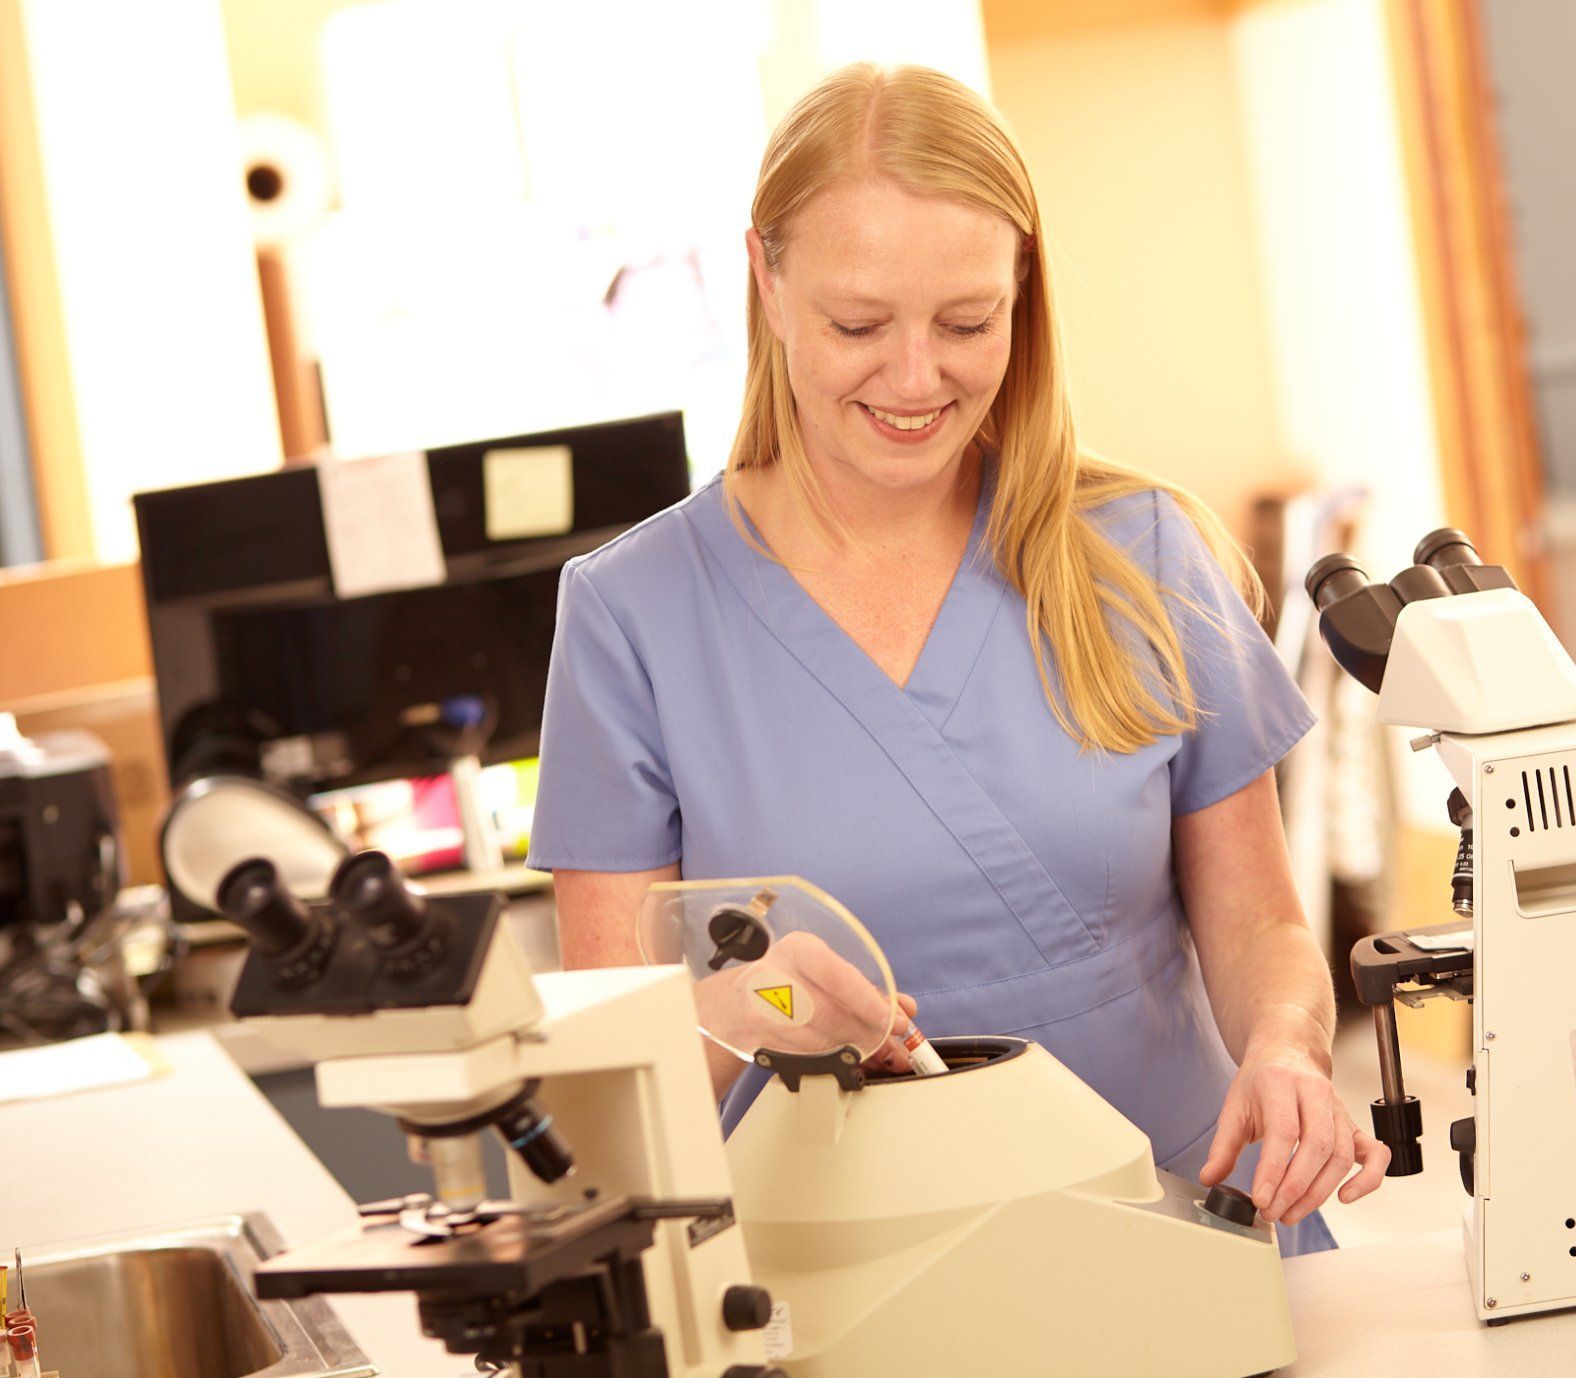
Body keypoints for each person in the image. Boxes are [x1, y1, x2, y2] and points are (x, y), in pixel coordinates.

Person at [528, 62, 1387, 1255]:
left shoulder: (1138, 553)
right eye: (858, 324)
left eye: (968, 322)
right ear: (767, 284)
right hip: (855, 1273)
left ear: (1022, 292)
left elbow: (1257, 927)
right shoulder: (634, 616)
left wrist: (1289, 1048)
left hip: (1189, 1226)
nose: (918, 378)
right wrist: (754, 1006)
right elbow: (611, 1047)